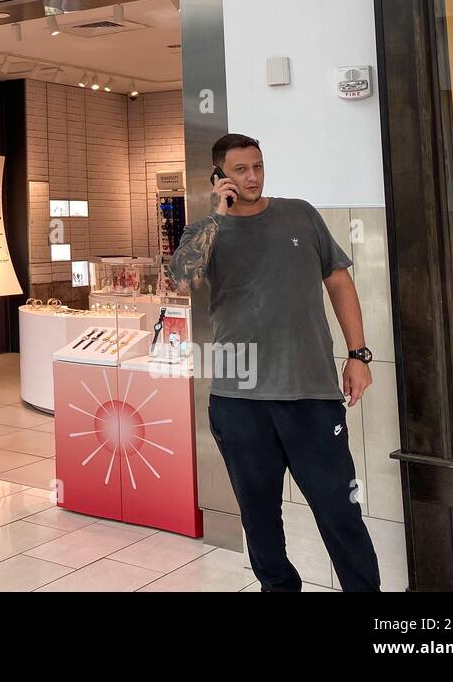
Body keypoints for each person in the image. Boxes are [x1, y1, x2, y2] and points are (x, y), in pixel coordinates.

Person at [169, 133, 381, 592]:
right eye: (240, 170)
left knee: (339, 510)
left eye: (258, 167)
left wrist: (358, 354)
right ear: (219, 176)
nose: (252, 177)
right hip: (238, 399)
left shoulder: (300, 213)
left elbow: (339, 282)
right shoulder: (203, 231)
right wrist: (218, 216)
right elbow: (183, 280)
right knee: (259, 514)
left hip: (311, 394)